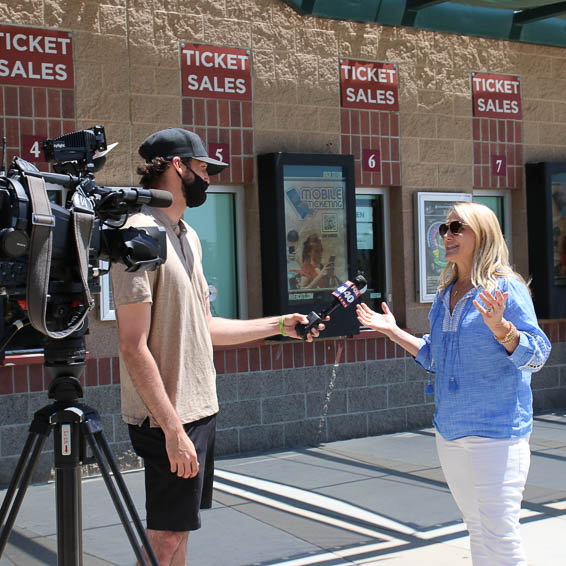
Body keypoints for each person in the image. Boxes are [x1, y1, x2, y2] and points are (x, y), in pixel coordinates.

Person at [110, 127, 324, 566]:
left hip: (199, 409)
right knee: (165, 538)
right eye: (204, 168)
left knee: (180, 534)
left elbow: (205, 327)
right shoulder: (138, 235)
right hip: (167, 419)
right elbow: (132, 346)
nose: (208, 178)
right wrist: (172, 431)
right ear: (177, 166)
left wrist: (282, 324)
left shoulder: (186, 235)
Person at [356, 202, 551, 566]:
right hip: (450, 431)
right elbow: (436, 358)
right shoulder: (446, 292)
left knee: (501, 537)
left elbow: (538, 354)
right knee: (477, 530)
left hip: (497, 433)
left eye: (457, 227)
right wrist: (394, 331)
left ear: (483, 234)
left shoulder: (505, 288)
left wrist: (503, 329)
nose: (447, 235)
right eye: (444, 228)